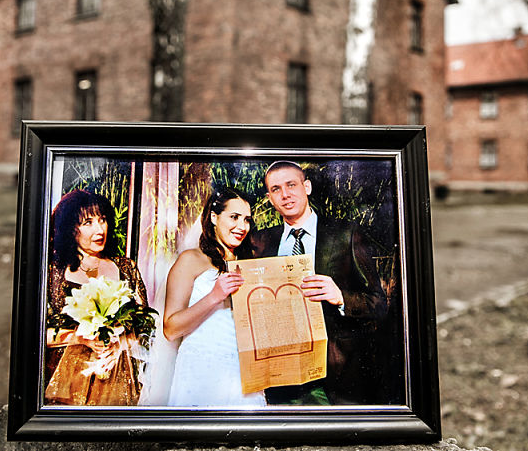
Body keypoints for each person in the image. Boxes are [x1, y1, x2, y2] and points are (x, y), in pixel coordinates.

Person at [250, 161, 387, 405]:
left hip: (336, 376)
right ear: (270, 198)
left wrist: (341, 297)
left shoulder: (346, 234)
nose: (285, 195)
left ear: (307, 187)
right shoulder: (260, 242)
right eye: (276, 189)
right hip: (280, 377)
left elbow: (378, 305)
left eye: (291, 185)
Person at [162, 188, 266, 406]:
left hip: (244, 375)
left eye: (247, 220)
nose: (242, 227)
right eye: (234, 217)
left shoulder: (250, 264)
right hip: (201, 372)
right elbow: (171, 329)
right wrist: (214, 297)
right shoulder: (191, 260)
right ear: (213, 217)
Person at [43, 189, 148, 406]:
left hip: (120, 379)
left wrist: (120, 344)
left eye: (103, 220)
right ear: (70, 230)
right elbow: (35, 335)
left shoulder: (126, 268)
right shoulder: (53, 272)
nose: (99, 229)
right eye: (88, 222)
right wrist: (81, 338)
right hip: (67, 383)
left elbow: (146, 328)